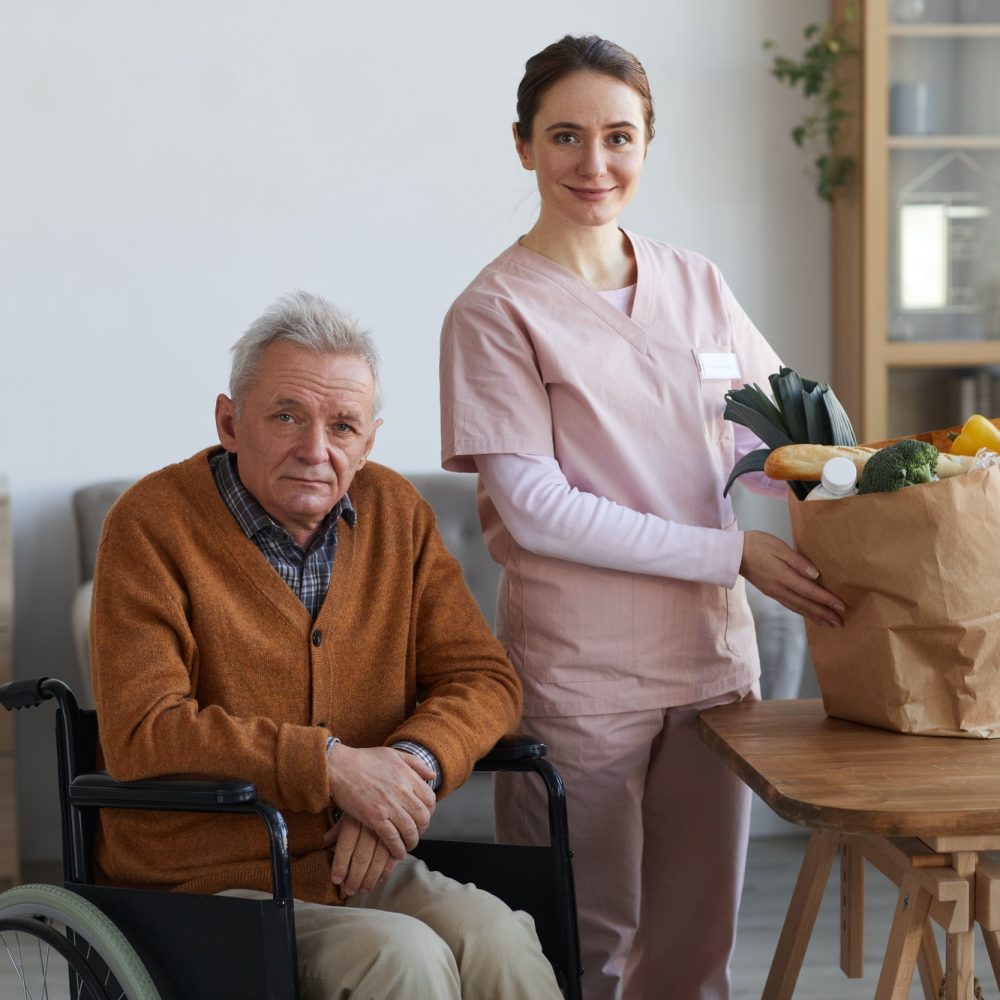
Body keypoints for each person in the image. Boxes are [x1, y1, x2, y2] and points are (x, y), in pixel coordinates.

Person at [439, 35, 845, 1000]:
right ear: (524, 145)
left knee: (696, 954)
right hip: (583, 678)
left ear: (648, 144)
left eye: (619, 136)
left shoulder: (697, 284)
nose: (594, 163)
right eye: (566, 136)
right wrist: (731, 551)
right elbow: (536, 510)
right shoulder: (494, 311)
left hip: (710, 670)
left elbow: (784, 433)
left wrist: (867, 483)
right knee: (587, 951)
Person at [90, 291, 564, 1000]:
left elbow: (482, 677)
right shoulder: (151, 526)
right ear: (230, 421)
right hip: (204, 881)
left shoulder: (397, 514)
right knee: (402, 959)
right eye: (287, 416)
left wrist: (408, 771)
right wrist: (334, 769)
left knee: (500, 939)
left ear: (368, 442)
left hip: (360, 862)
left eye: (342, 426)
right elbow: (142, 730)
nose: (316, 449)